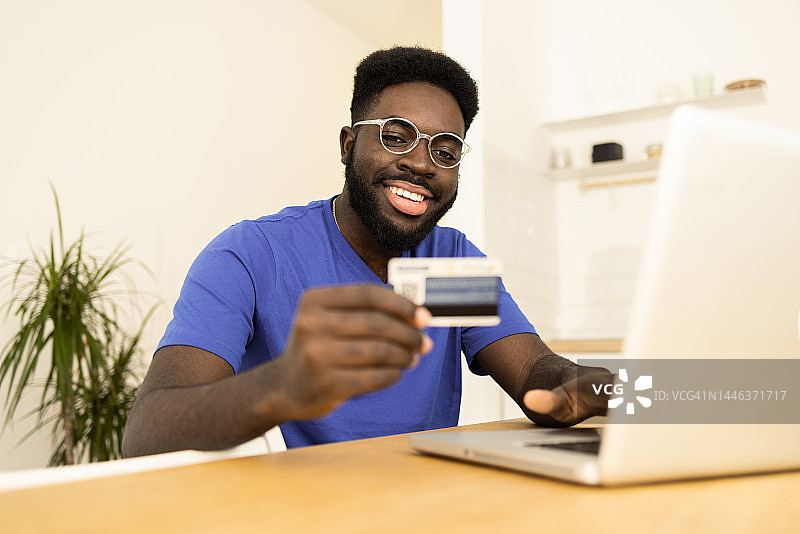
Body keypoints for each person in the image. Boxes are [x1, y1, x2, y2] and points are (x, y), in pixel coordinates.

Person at [122, 46, 611, 458]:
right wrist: (284, 383)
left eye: (445, 150)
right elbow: (148, 435)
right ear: (348, 144)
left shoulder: (445, 265)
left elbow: (535, 373)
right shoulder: (253, 255)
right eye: (396, 137)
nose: (420, 162)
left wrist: (607, 388)